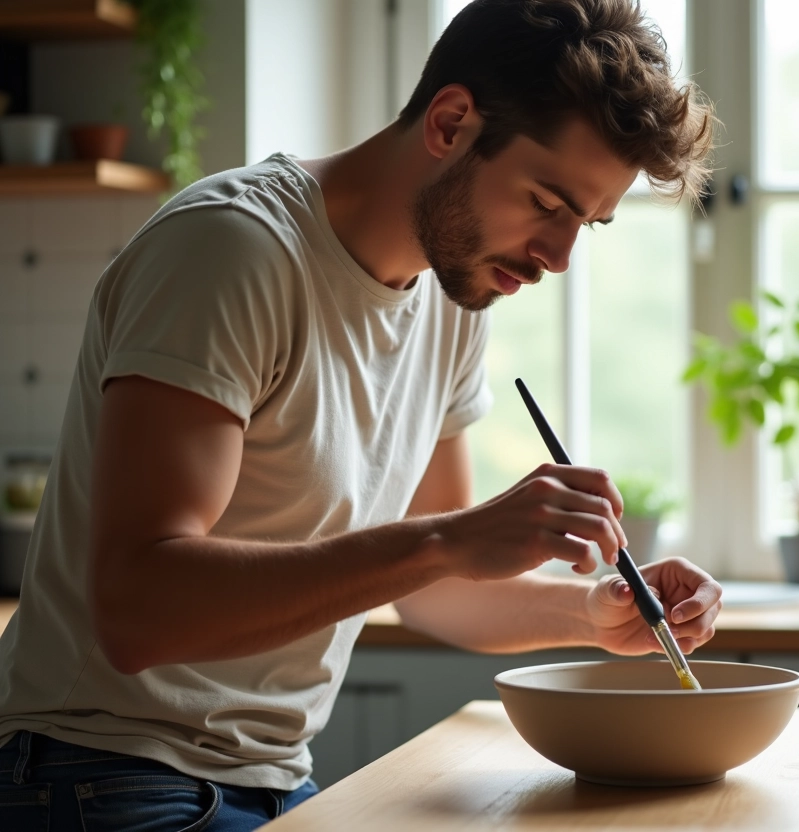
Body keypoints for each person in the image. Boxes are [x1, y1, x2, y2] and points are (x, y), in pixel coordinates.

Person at [0, 0, 720, 828]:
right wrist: (450, 537)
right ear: (450, 123)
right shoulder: (231, 251)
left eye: (585, 225)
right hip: (93, 772)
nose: (557, 258)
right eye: (547, 203)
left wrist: (594, 613)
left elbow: (433, 590)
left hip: (266, 778)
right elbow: (135, 609)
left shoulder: (454, 298)